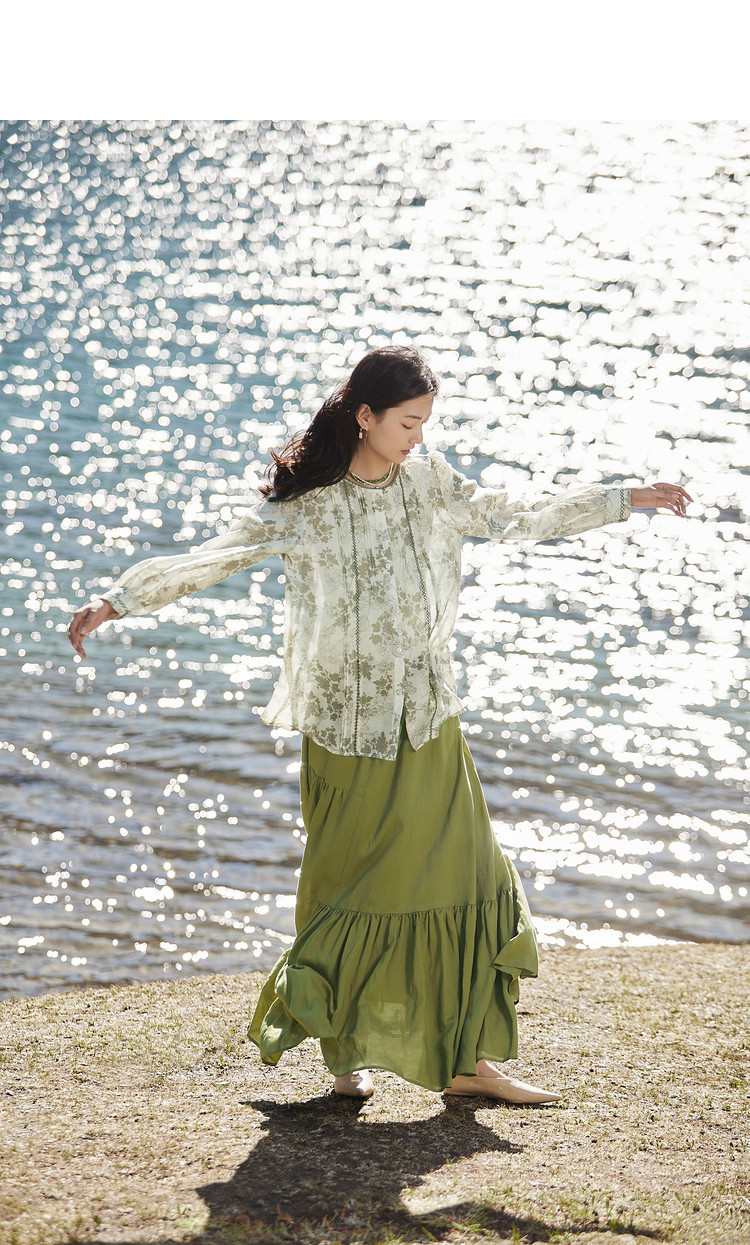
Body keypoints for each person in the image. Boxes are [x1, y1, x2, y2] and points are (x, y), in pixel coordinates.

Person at [68, 345, 693, 1104]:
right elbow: (215, 557)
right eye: (407, 422)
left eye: (425, 423)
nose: (418, 438)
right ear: (364, 416)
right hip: (347, 730)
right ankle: (346, 1051)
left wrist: (624, 497)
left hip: (427, 718)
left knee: (470, 874)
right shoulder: (310, 506)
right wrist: (118, 600)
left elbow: (517, 514)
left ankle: (466, 1062)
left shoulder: (430, 485)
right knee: (349, 889)